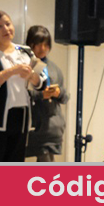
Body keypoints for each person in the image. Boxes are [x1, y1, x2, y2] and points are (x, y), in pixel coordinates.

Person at [0, 10, 45, 162]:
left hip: (21, 118)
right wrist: (12, 71)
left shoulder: (24, 50)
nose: (6, 29)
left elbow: (42, 83)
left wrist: (32, 76)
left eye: (8, 24)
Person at [26, 25, 69, 162]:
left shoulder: (54, 68)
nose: (42, 48)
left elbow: (65, 97)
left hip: (52, 126)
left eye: (46, 45)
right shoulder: (23, 65)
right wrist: (40, 95)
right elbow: (18, 94)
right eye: (38, 44)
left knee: (47, 164)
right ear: (30, 44)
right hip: (30, 125)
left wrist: (57, 92)